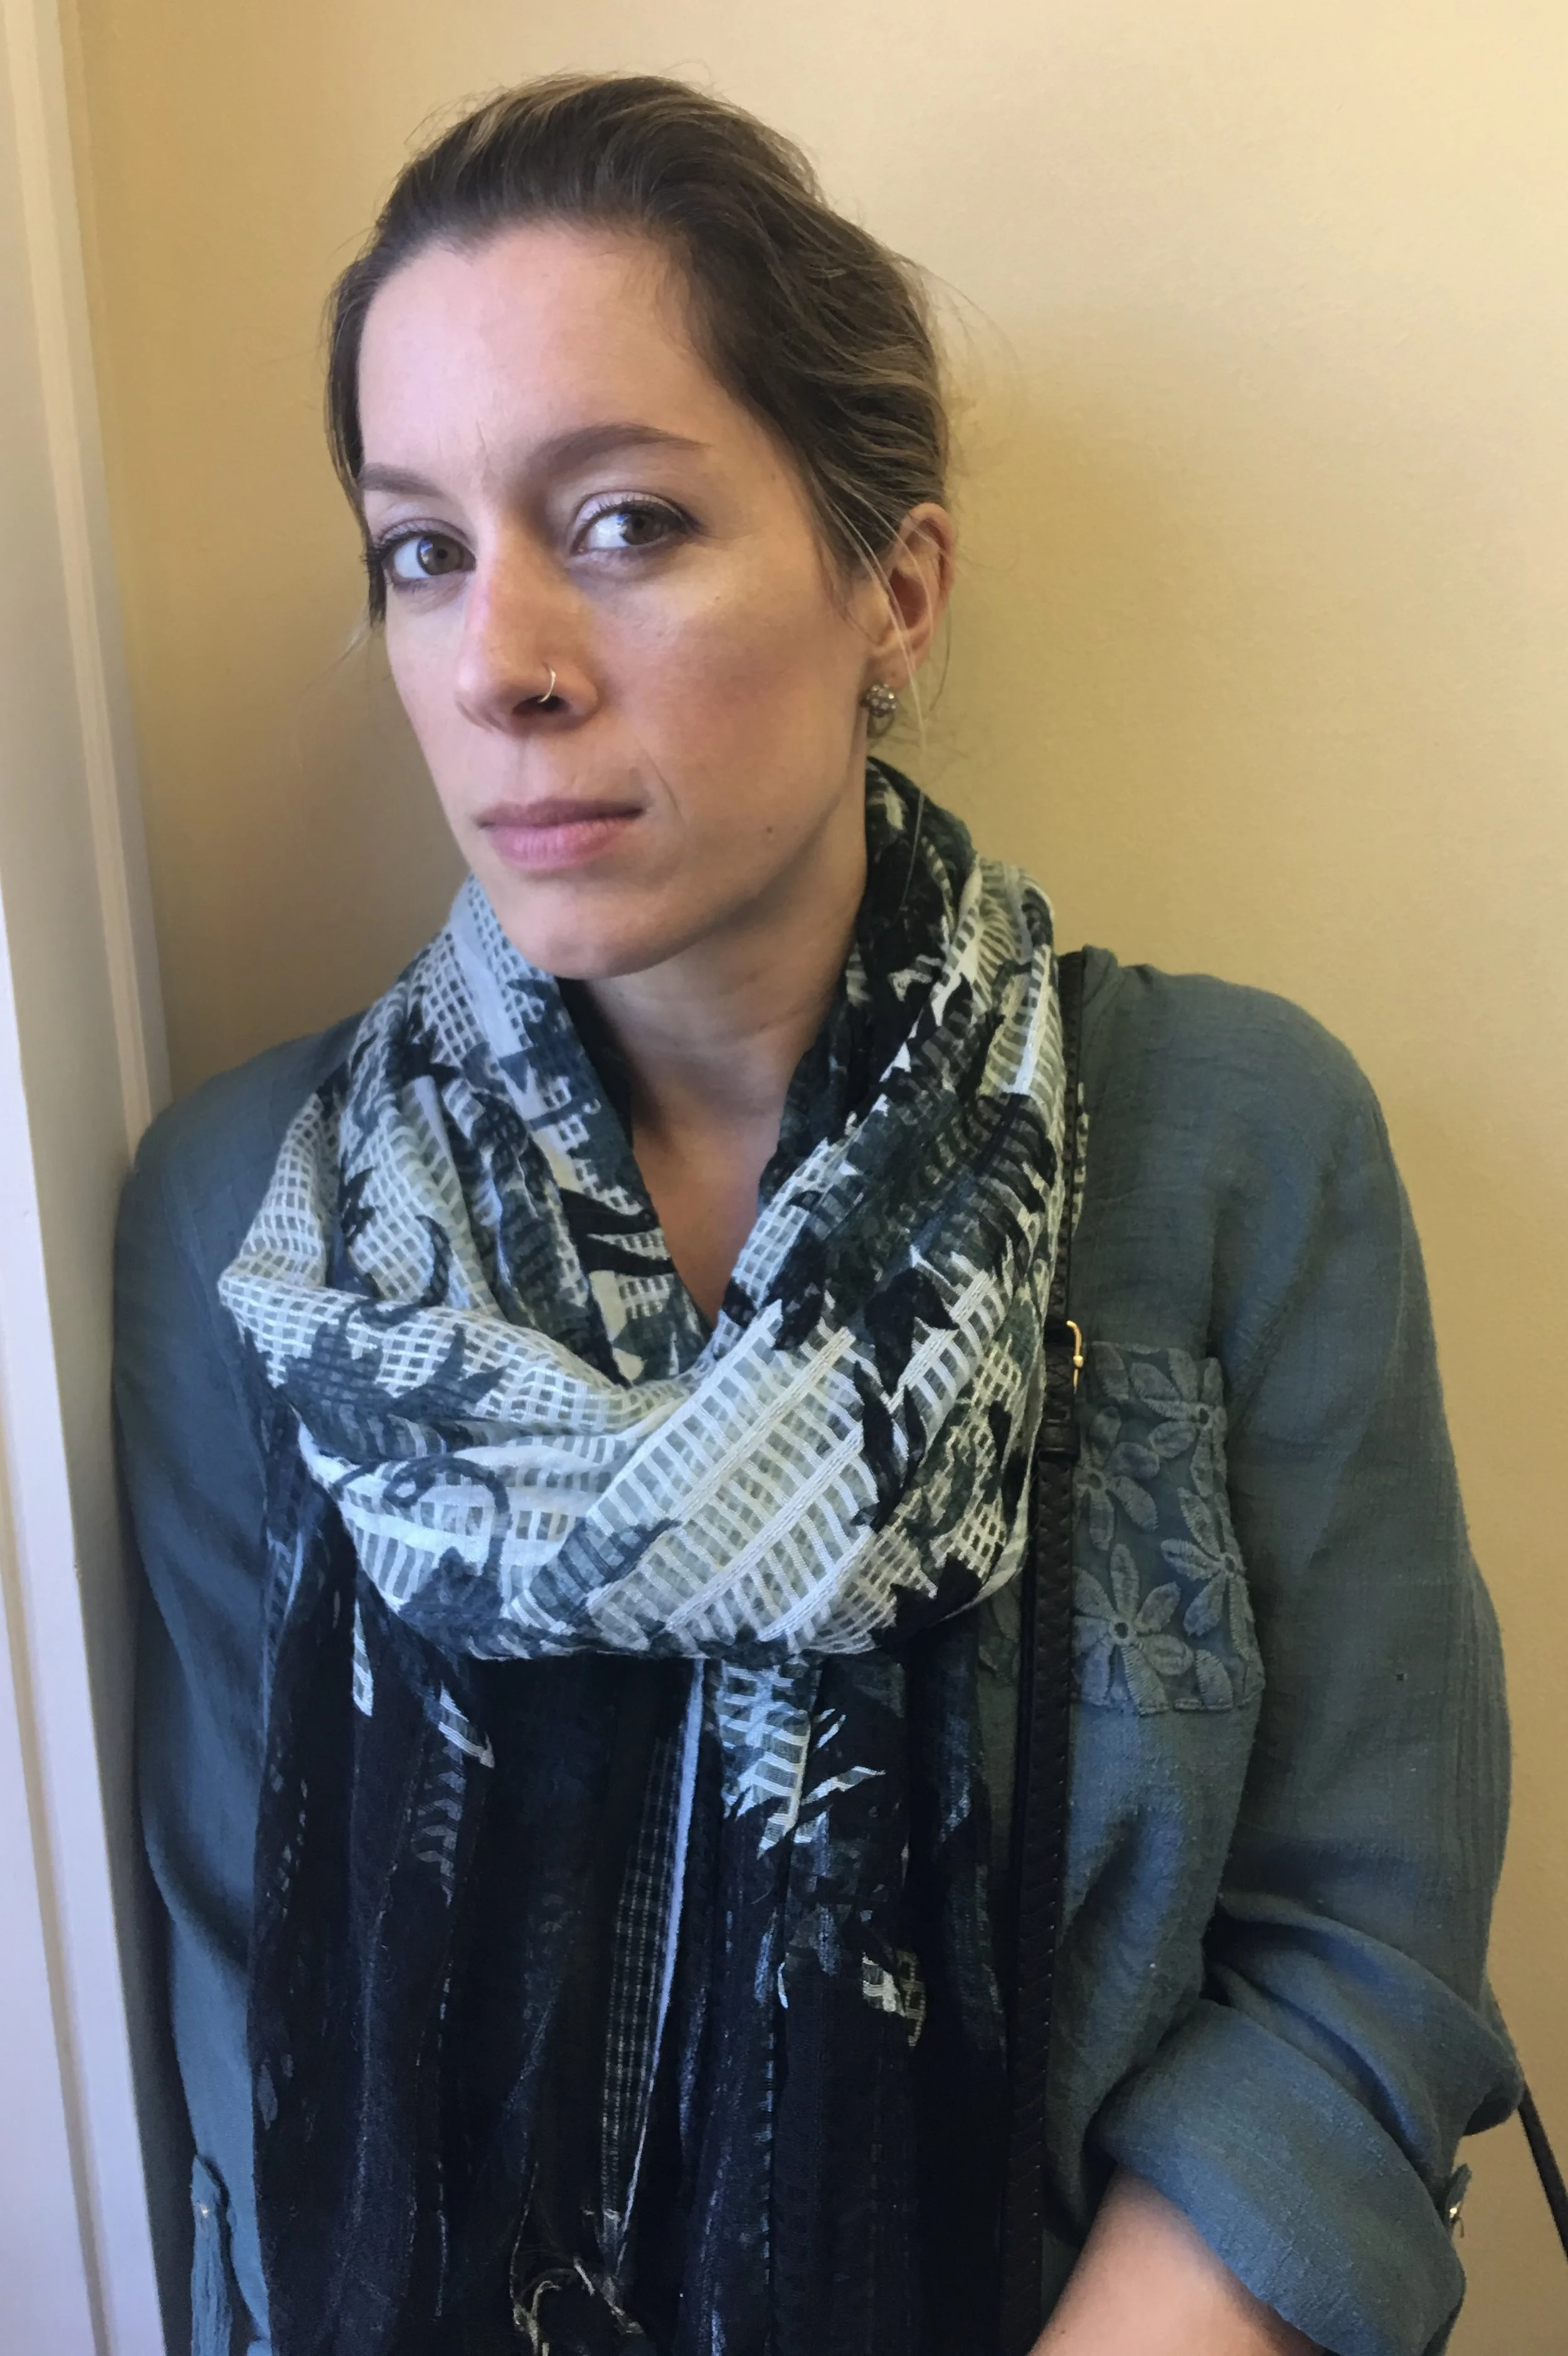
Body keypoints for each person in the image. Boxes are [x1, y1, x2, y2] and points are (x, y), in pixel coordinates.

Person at [114, 72, 1520, 2356]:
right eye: (422, 546)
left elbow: (1355, 1957)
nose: (502, 660)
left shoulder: (1224, 1146)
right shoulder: (251, 1232)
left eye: (630, 521)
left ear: (896, 584)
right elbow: (235, 2016)